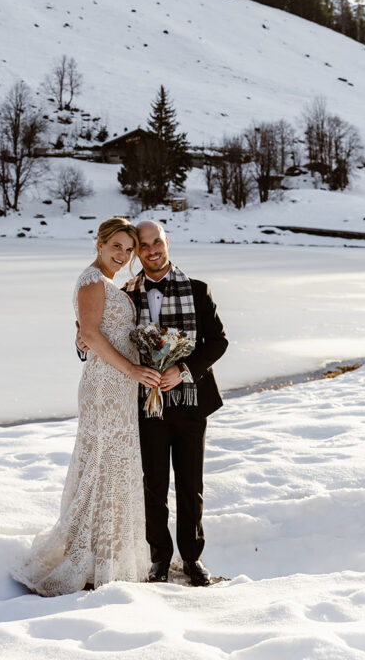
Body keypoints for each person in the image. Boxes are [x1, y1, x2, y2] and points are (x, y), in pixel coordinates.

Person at [12, 217, 161, 596]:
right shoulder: (93, 281)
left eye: (129, 250)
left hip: (120, 385)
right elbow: (92, 335)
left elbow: (91, 336)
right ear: (99, 243)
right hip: (107, 385)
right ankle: (87, 558)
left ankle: (106, 555)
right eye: (117, 246)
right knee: (102, 464)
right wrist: (131, 368)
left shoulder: (109, 283)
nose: (123, 255)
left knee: (113, 464)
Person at [77, 219, 228, 587]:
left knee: (191, 483)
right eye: (142, 246)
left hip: (191, 401)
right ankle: (159, 558)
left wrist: (185, 369)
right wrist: (82, 342)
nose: (150, 251)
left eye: (155, 242)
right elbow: (103, 333)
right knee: (153, 484)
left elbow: (218, 343)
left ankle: (192, 559)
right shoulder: (127, 292)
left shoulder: (198, 290)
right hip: (145, 402)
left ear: (167, 242)